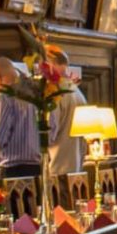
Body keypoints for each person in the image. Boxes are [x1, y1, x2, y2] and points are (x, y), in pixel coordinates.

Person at [0, 58, 43, 179]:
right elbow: (51, 132)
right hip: (37, 168)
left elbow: (0, 138)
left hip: (12, 170)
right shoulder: (36, 95)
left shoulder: (5, 98)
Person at [41, 44, 86, 176]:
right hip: (76, 168)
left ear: (49, 64)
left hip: (57, 170)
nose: (40, 70)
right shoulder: (77, 92)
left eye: (41, 65)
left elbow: (49, 135)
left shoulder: (56, 93)